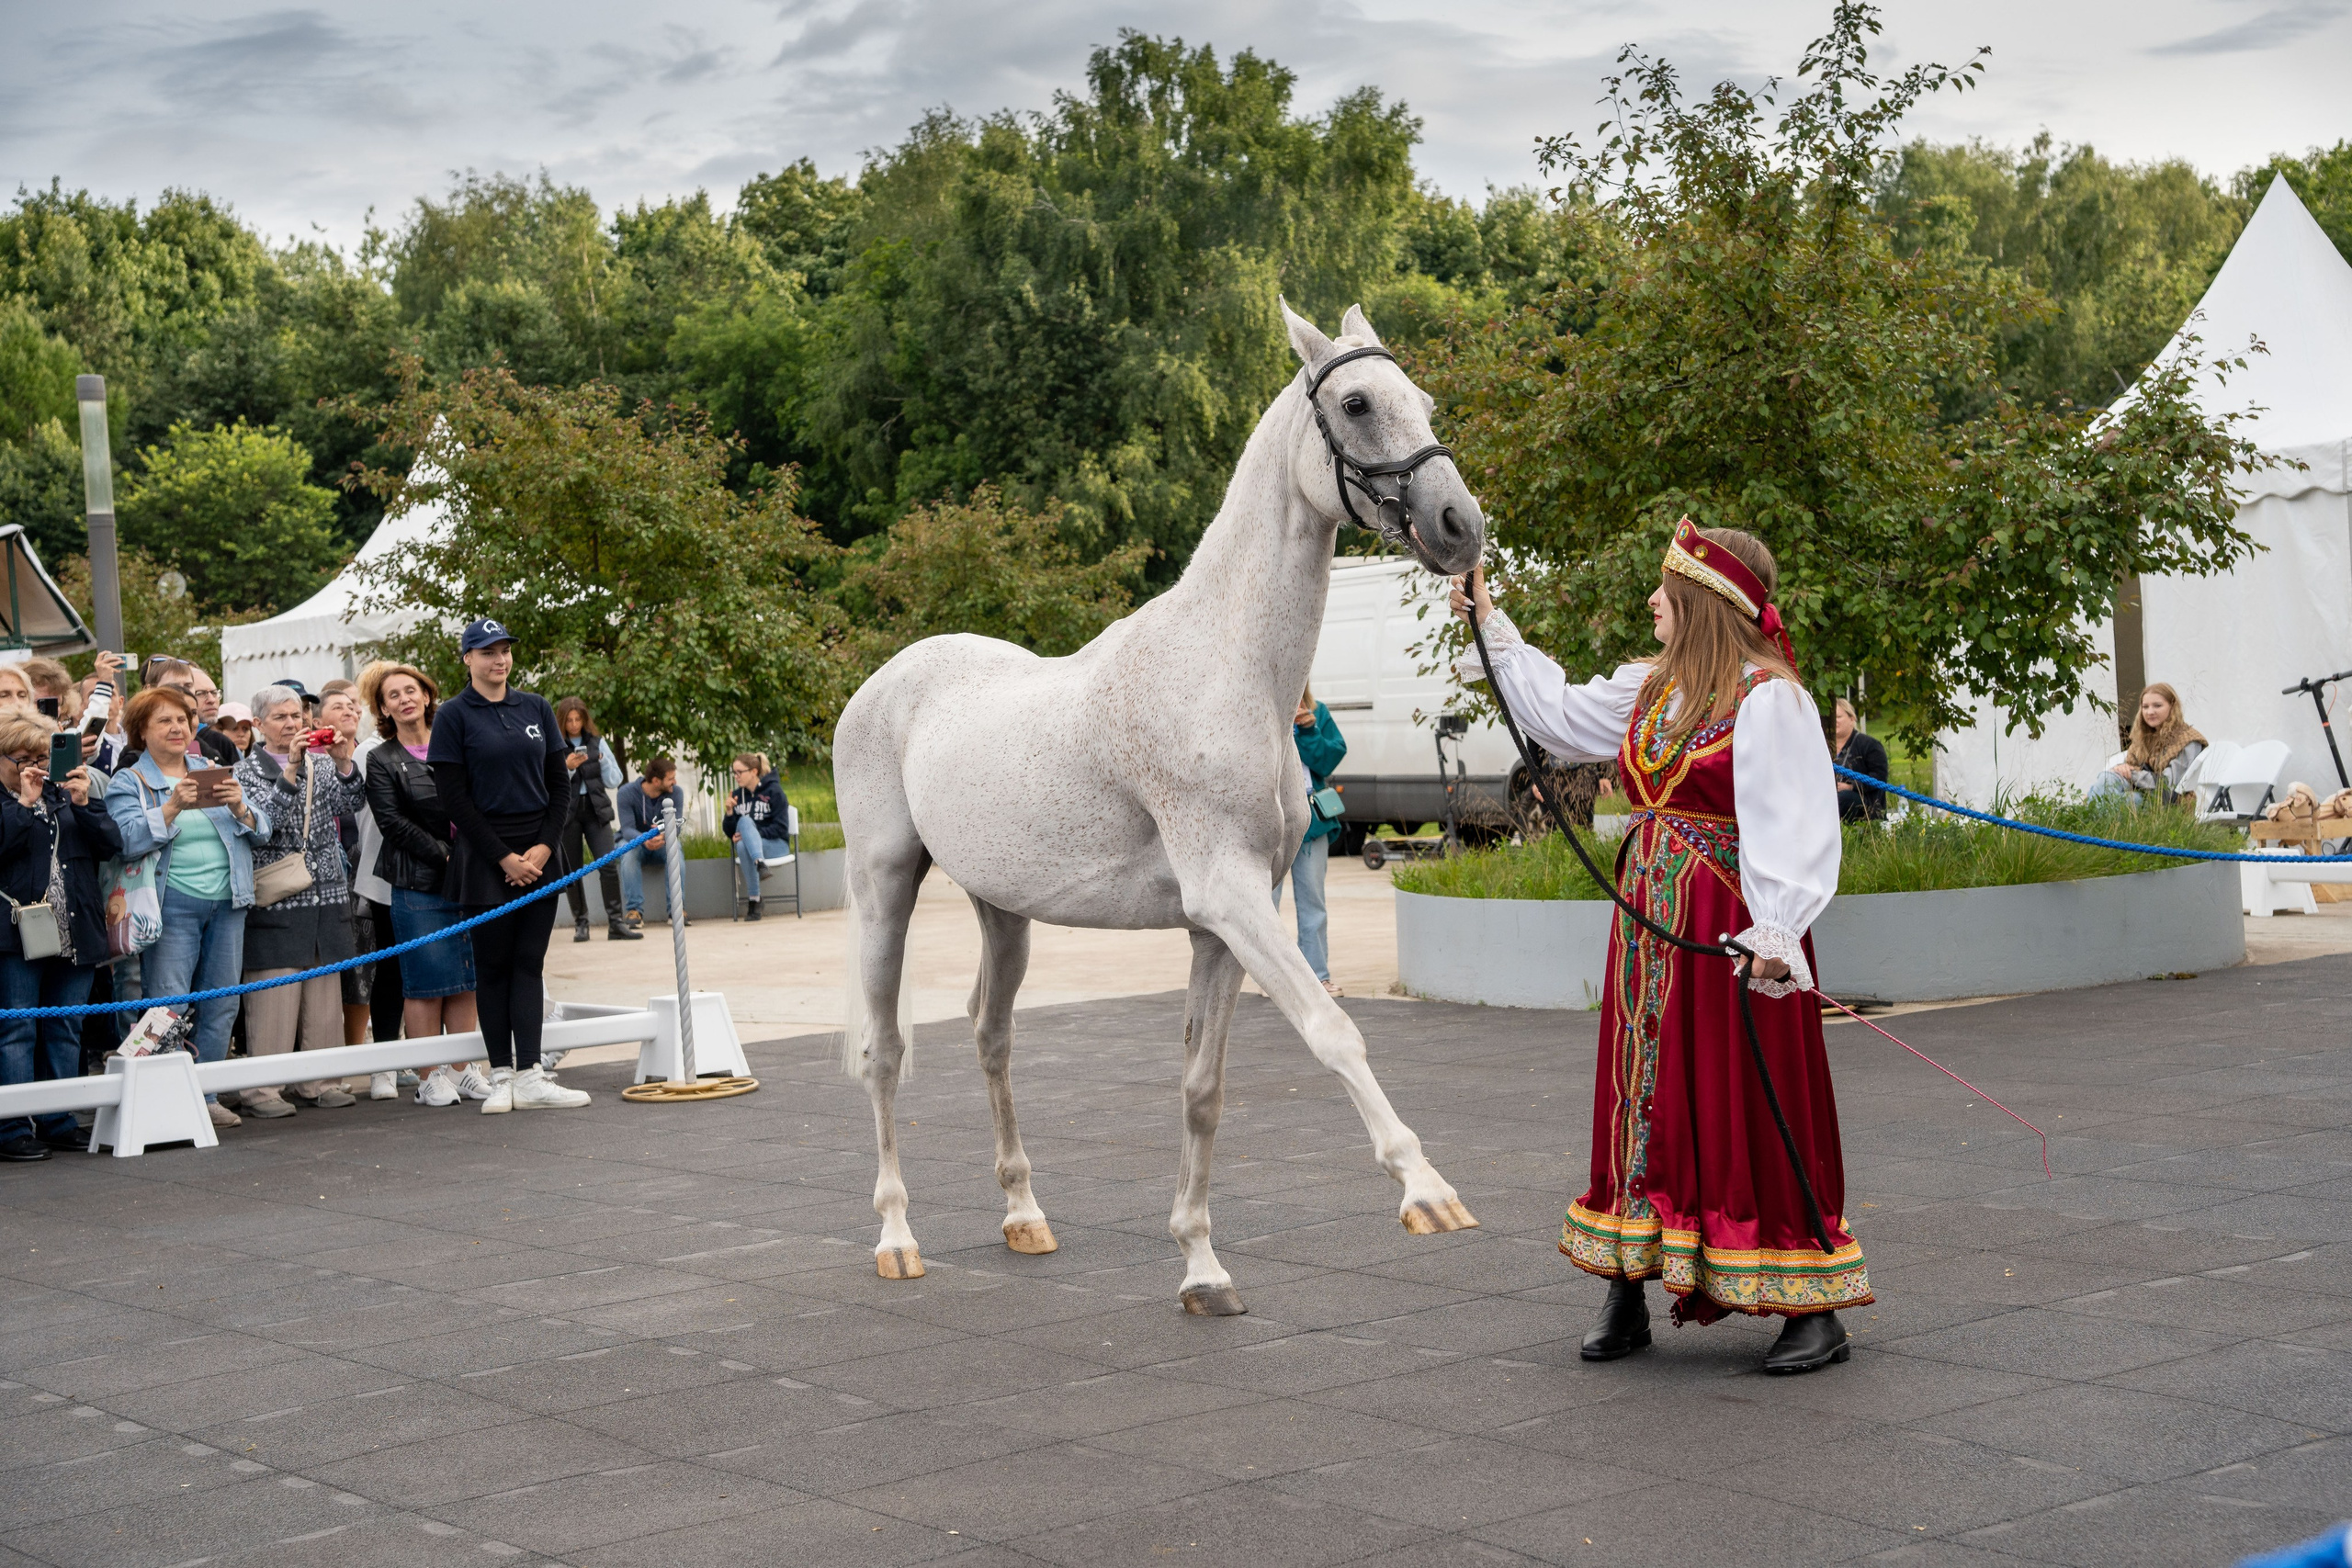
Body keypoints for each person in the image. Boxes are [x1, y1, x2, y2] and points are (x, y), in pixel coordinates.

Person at [1453, 519, 1868, 1375]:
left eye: (1665, 590)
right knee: (1638, 1094)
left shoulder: (1770, 699)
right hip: (1648, 933)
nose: (1651, 600)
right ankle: (1628, 1280)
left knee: (1742, 1096)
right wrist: (1488, 614)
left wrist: (1776, 933)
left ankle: (1811, 1299)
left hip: (1732, 938)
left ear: (1704, 602)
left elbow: (1796, 825)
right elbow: (1557, 713)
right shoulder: (1649, 689)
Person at [426, 619, 590, 1112]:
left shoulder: (536, 706)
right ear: (467, 659)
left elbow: (558, 786)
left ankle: (531, 1073)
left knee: (529, 965)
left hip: (540, 854)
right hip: (484, 857)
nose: (499, 660)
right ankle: (500, 1074)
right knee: (493, 968)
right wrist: (503, 857)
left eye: (504, 651)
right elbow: (455, 799)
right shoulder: (454, 715)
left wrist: (542, 849)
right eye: (487, 652)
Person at [106, 686, 271, 1129]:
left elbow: (262, 831)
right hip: (171, 905)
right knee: (168, 1005)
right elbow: (123, 841)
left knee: (221, 1003)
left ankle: (208, 1094)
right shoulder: (130, 781)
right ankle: (164, 1098)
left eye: (183, 719)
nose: (178, 727)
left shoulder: (210, 768)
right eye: (165, 720)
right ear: (141, 730)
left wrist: (241, 808)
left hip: (229, 899)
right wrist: (171, 807)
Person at [234, 684, 366, 1116]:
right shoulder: (243, 772)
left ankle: (321, 1082)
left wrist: (345, 761)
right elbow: (264, 827)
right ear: (258, 725)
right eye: (281, 718)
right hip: (276, 895)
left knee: (324, 995)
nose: (293, 724)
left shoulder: (322, 762)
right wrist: (290, 770)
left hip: (327, 892)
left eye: (298, 716)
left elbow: (352, 804)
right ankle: (262, 1091)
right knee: (274, 995)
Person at [363, 662, 491, 1108]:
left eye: (411, 690)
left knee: (464, 975)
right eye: (393, 694)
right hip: (418, 881)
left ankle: (462, 1069)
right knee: (424, 980)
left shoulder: (456, 742)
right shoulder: (380, 759)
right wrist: (449, 855)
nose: (404, 699)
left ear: (427, 694)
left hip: (473, 877)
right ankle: (428, 1075)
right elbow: (392, 823)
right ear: (383, 707)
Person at [0, 709, 124, 1160]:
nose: (34, 767)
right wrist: (25, 804)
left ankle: (58, 1119)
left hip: (75, 930)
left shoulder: (68, 792)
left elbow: (112, 844)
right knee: (17, 1029)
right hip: (16, 935)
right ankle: (11, 1127)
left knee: (65, 1027)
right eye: (22, 758)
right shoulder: (10, 800)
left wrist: (84, 803)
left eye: (42, 757)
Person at [1274, 690, 1346, 997]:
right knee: (1265, 905)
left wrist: (1307, 729)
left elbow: (1329, 760)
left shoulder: (1319, 712)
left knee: (1312, 901)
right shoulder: (1264, 710)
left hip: (1311, 822)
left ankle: (1317, 977)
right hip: (1268, 822)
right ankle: (1276, 979)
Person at [553, 697, 634, 942]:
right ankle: (581, 924)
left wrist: (603, 759)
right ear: (563, 721)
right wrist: (567, 767)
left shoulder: (598, 742)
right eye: (569, 720)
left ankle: (616, 922)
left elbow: (614, 780)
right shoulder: (555, 745)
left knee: (608, 865)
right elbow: (550, 785)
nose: (575, 724)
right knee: (573, 871)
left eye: (578, 719)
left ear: (585, 719)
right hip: (568, 815)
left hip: (596, 812)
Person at [2090, 682, 2207, 804]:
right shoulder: (2143, 738)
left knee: (2112, 800)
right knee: (2106, 779)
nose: (2150, 712)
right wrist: (2122, 768)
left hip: (2166, 803)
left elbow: (2168, 786)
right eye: (2145, 707)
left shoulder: (2188, 740)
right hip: (2137, 791)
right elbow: (2130, 766)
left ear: (2172, 706)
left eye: (2157, 706)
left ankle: (2090, 813)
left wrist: (2132, 774)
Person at [616, 757, 684, 928]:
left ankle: (676, 910)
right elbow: (627, 829)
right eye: (670, 779)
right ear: (655, 781)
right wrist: (645, 839)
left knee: (675, 849)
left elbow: (676, 827)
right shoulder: (626, 793)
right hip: (635, 841)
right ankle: (634, 911)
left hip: (662, 842)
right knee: (627, 849)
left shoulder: (676, 793)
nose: (674, 782)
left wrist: (662, 837)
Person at [724, 753, 790, 920]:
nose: (736, 776)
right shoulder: (737, 796)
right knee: (741, 844)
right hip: (753, 851)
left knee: (745, 828)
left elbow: (781, 828)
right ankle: (758, 872)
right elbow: (731, 833)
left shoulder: (774, 791)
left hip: (776, 845)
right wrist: (730, 812)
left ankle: (755, 900)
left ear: (753, 771)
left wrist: (752, 835)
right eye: (734, 772)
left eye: (740, 772)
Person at [1831, 698, 1890, 823]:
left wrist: (1851, 786)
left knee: (1842, 799)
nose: (1834, 721)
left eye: (1838, 717)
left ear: (1852, 719)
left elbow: (1879, 776)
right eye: (1831, 717)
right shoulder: (1824, 746)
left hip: (1864, 804)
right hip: (1830, 796)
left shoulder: (1870, 745)